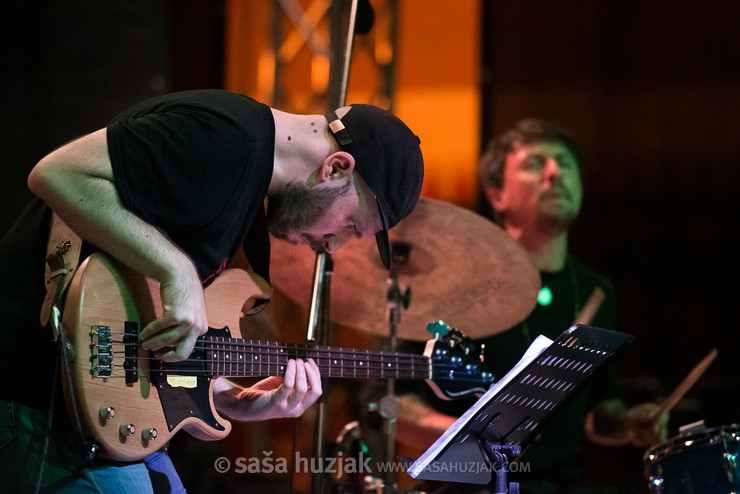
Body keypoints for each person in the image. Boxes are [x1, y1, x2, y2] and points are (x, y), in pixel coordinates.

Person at [0, 89, 424, 493]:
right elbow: (55, 171)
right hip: (35, 395)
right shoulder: (225, 137)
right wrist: (176, 269)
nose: (334, 245)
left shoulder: (249, 193)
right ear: (335, 168)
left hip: (90, 406)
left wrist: (238, 400)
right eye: (352, 225)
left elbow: (149, 334)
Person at [395, 118, 665, 493]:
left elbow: (598, 407)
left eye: (565, 163)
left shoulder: (596, 290)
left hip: (560, 485)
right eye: (535, 164)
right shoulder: (451, 286)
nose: (554, 173)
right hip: (466, 486)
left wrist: (626, 425)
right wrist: (477, 438)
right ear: (497, 194)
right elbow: (392, 409)